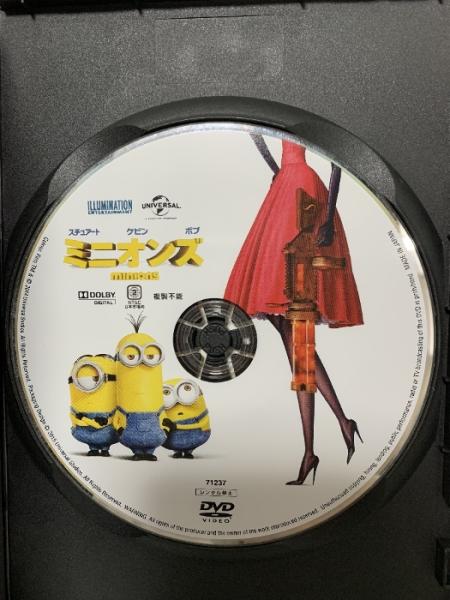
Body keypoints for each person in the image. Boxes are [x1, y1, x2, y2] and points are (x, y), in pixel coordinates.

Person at [224, 134, 364, 485]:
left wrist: (328, 218)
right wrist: (277, 170)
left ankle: (312, 449)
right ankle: (335, 429)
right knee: (291, 331)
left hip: (304, 195)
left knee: (297, 331)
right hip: (287, 188)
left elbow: (336, 162)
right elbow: (255, 134)